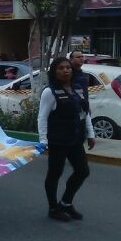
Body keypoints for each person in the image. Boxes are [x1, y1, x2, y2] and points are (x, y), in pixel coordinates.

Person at [37, 57, 95, 222]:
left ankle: (66, 202)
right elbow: (42, 117)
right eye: (61, 68)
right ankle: (53, 208)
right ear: (55, 72)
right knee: (55, 173)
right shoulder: (50, 92)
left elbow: (84, 113)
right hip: (58, 140)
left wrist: (90, 134)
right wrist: (43, 140)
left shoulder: (78, 89)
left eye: (68, 68)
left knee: (83, 171)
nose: (65, 71)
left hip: (75, 139)